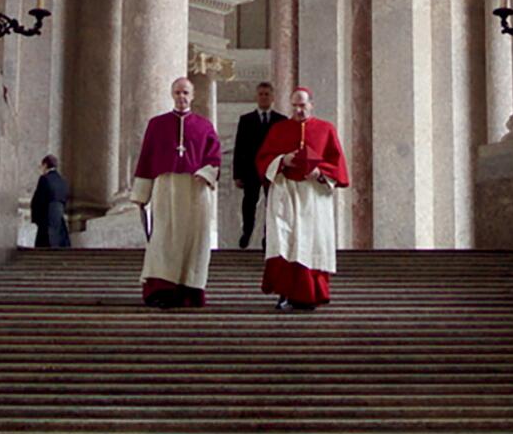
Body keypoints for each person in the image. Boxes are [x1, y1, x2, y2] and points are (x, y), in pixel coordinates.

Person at [129, 75, 223, 308]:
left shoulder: (204, 126)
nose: (182, 97)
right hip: (166, 186)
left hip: (195, 188)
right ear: (172, 94)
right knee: (163, 238)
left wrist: (206, 173)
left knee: (194, 240)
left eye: (185, 93)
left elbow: (214, 157)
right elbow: (147, 157)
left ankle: (189, 289)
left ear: (193, 96)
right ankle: (162, 289)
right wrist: (141, 194)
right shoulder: (157, 124)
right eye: (178, 92)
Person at [256, 86, 349, 311]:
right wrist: (282, 160)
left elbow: (337, 164)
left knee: (311, 241)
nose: (299, 110)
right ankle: (285, 293)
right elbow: (263, 158)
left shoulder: (326, 129)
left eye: (303, 105)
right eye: (295, 105)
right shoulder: (279, 129)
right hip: (285, 192)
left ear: (311, 104)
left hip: (313, 195)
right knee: (285, 242)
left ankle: (310, 294)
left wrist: (320, 172)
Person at [232, 83, 285, 248]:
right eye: (261, 94)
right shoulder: (246, 120)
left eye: (267, 94)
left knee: (272, 203)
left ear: (273, 97)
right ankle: (247, 232)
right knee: (249, 203)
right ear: (256, 97)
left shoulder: (281, 120)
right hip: (251, 169)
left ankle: (268, 236)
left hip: (272, 169)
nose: (264, 97)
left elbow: (284, 147)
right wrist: (237, 174)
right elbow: (239, 147)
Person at [30, 154, 70, 248]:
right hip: (59, 215)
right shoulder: (62, 181)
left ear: (45, 165)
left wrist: (36, 217)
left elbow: (39, 199)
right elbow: (65, 198)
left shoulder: (44, 178)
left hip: (46, 215)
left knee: (45, 243)